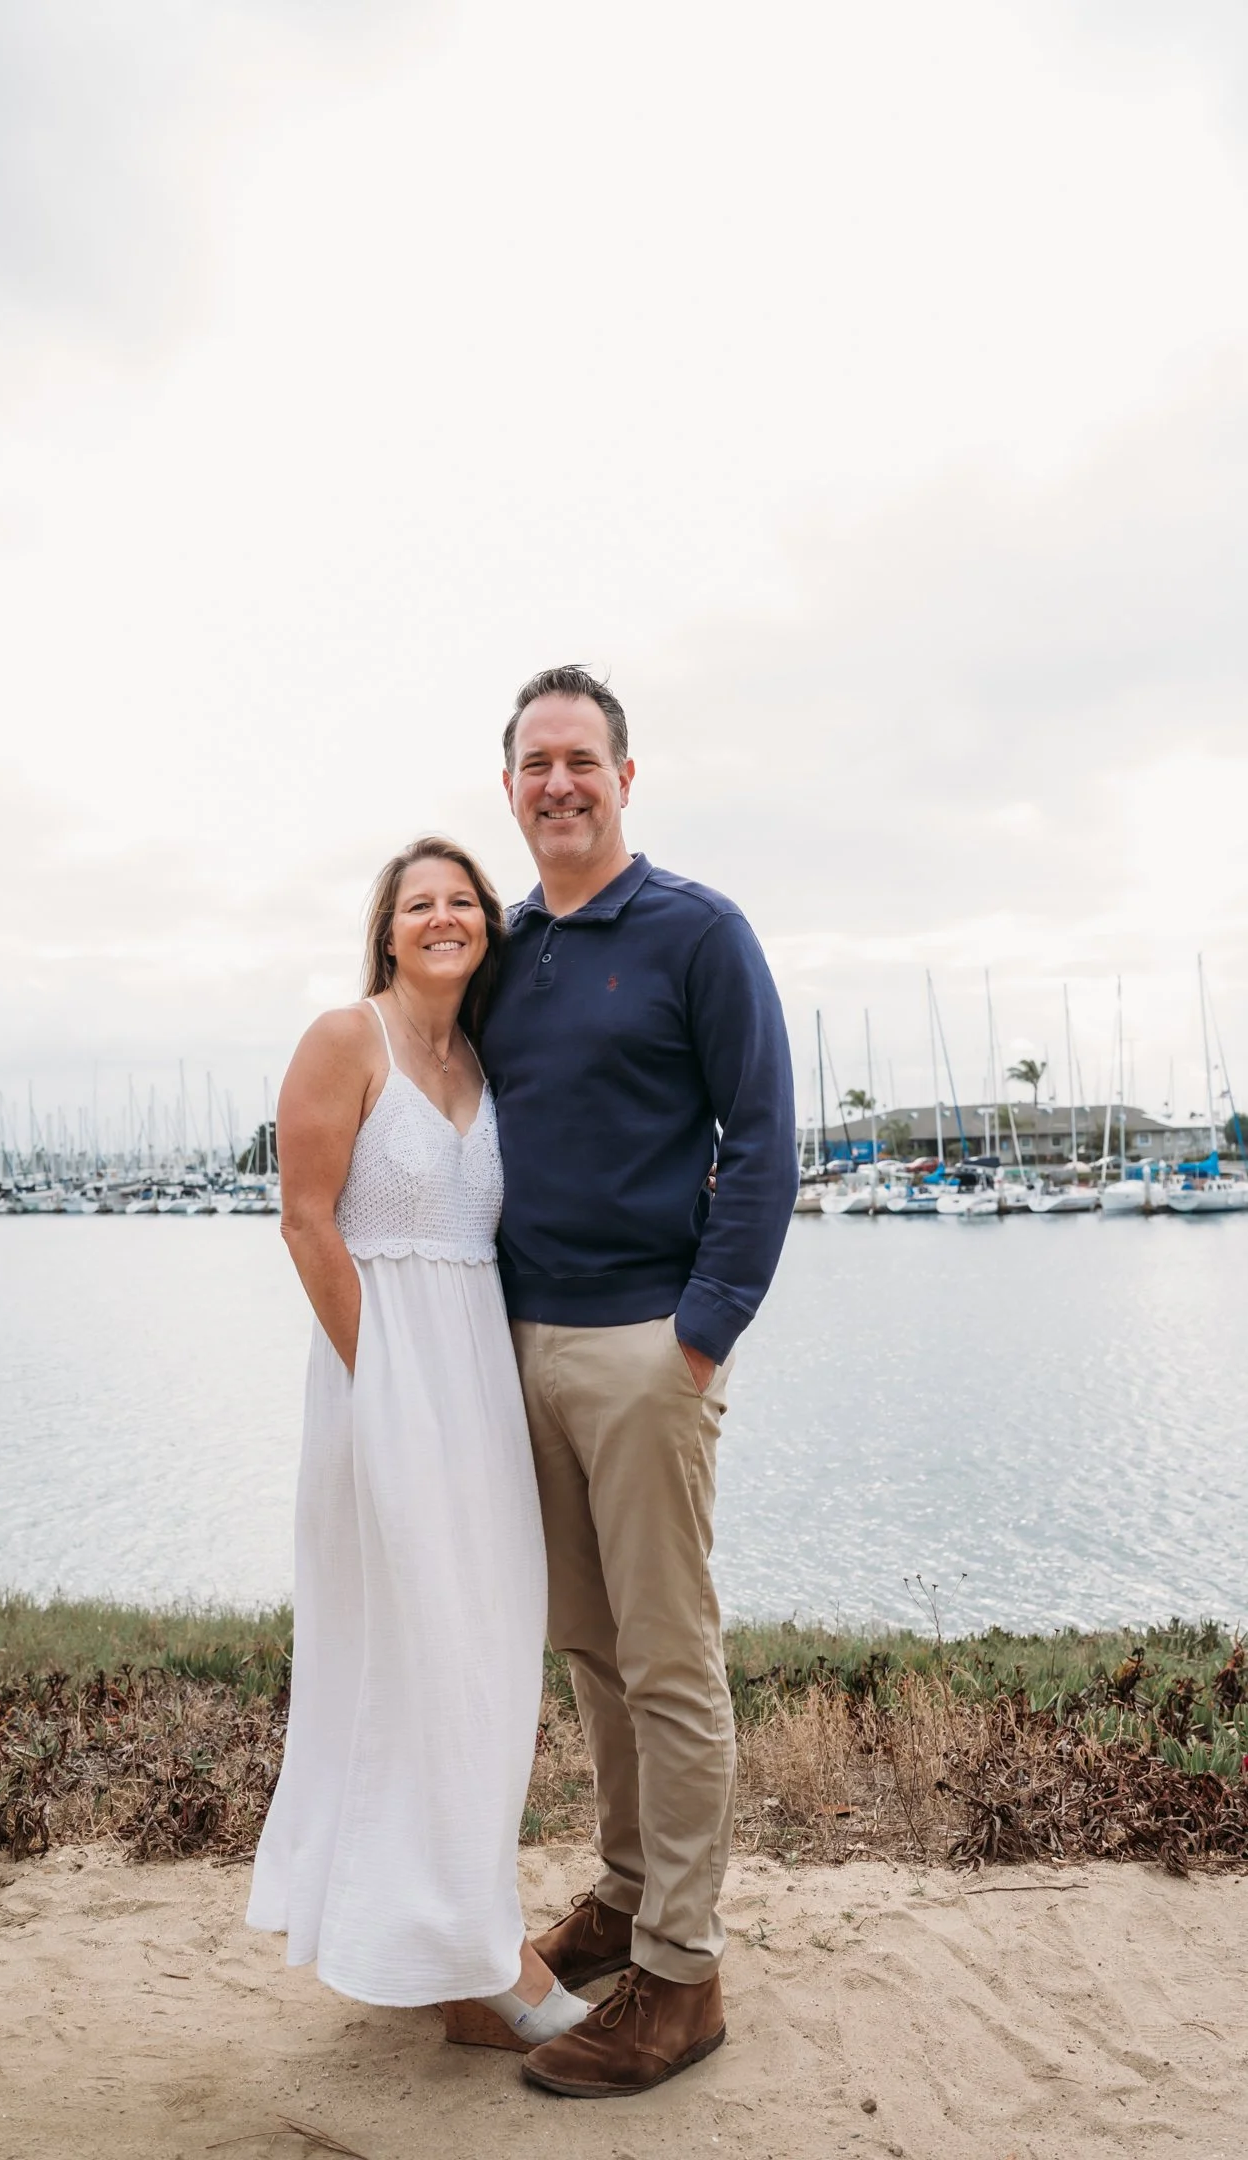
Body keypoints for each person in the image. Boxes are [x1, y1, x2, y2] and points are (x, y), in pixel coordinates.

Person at [479, 664, 799, 2098]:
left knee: (670, 1662)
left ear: (623, 777)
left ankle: (683, 1976)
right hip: (519, 1350)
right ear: (509, 787)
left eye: (582, 760)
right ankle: (624, 1894)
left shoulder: (696, 931)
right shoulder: (495, 950)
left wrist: (704, 1327)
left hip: (644, 1350)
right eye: (535, 762)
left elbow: (766, 1136)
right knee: (592, 1653)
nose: (559, 783)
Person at [246, 837, 588, 2051]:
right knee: (415, 1658)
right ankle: (482, 1965)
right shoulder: (349, 1038)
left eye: (462, 902)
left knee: (488, 1664)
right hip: (384, 1384)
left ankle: (454, 1944)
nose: (443, 918)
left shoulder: (481, 1055)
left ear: (486, 926)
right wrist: (379, 1383)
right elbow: (305, 1223)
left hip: (477, 1386)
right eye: (417, 904)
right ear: (387, 931)